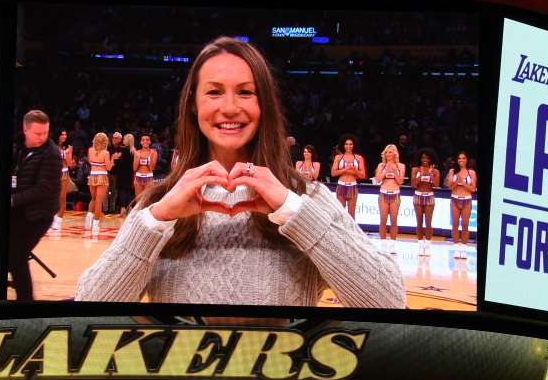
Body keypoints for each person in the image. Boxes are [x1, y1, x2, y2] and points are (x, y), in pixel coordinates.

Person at [75, 37, 405, 308]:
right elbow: (87, 312)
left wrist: (293, 211)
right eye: (214, 91)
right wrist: (156, 219)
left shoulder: (308, 199)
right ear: (193, 103)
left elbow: (389, 302)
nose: (230, 108)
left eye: (246, 92)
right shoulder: (159, 204)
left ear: (264, 106)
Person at [9, 110, 63, 301]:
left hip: (38, 215)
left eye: (46, 133)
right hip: (18, 210)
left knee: (15, 256)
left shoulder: (52, 154)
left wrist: (13, 200)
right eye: (38, 133)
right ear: (25, 130)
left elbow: (43, 189)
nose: (43, 137)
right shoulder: (17, 147)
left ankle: (26, 299)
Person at [447, 151, 478, 257]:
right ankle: (456, 249)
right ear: (457, 160)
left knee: (465, 225)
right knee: (455, 224)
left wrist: (463, 182)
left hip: (467, 200)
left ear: (467, 160)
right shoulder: (452, 171)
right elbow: (450, 187)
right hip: (455, 199)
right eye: (459, 158)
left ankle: (464, 249)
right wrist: (456, 182)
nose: (461, 160)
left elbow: (473, 189)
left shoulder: (471, 172)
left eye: (463, 158)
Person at [375, 145, 405, 252]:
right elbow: (378, 180)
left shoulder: (400, 166)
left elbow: (400, 181)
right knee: (383, 220)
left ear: (395, 154)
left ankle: (392, 245)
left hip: (395, 194)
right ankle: (383, 245)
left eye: (390, 152)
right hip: (383, 194)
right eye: (386, 152)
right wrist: (385, 171)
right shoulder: (381, 165)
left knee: (394, 220)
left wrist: (394, 171)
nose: (388, 154)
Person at [411, 150, 440, 253]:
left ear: (431, 159)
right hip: (418, 196)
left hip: (429, 197)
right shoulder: (415, 169)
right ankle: (420, 245)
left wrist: (431, 174)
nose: (425, 160)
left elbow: (436, 185)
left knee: (428, 222)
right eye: (423, 158)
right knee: (419, 222)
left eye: (427, 158)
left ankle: (427, 246)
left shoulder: (435, 171)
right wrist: (421, 175)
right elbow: (413, 184)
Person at [330, 135, 365, 218]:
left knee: (351, 215)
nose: (348, 146)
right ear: (343, 145)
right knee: (341, 214)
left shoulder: (359, 158)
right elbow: (333, 173)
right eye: (346, 144)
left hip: (352, 186)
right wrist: (345, 169)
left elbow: (362, 175)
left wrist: (354, 169)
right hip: (341, 186)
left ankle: (351, 231)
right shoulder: (338, 157)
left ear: (354, 145)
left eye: (350, 144)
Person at [85, 132, 113, 235]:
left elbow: (90, 162)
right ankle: (95, 225)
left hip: (92, 175)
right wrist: (113, 159)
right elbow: (109, 167)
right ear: (105, 142)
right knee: (99, 201)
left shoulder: (90, 150)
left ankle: (88, 219)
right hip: (102, 176)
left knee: (93, 199)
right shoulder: (106, 153)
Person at [54, 128, 73, 232]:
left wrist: (67, 154)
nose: (64, 136)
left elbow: (70, 164)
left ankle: (59, 221)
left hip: (64, 173)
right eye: (62, 134)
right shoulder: (53, 146)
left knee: (62, 197)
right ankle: (53, 218)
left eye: (65, 134)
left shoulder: (68, 147)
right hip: (53, 174)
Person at [134, 133, 159, 201]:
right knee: (138, 201)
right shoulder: (137, 152)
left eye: (147, 140)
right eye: (143, 140)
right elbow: (134, 168)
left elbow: (151, 168)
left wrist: (149, 159)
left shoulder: (154, 152)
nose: (145, 141)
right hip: (138, 178)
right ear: (141, 142)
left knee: (147, 200)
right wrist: (138, 157)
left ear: (150, 142)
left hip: (149, 178)